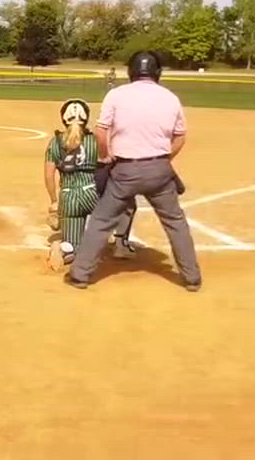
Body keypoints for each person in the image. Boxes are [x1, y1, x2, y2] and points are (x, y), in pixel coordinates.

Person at [65, 50, 200, 291]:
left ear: (131, 71)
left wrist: (106, 156)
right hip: (160, 170)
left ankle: (80, 274)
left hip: (124, 171)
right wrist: (163, 160)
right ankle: (192, 278)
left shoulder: (117, 95)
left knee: (102, 220)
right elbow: (180, 137)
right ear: (157, 72)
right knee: (175, 221)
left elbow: (101, 132)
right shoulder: (170, 98)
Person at [43, 99, 101, 271]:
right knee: (118, 211)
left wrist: (54, 202)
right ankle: (117, 240)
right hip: (93, 193)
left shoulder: (56, 142)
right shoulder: (95, 140)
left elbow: (49, 175)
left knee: (74, 246)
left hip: (68, 197)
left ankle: (63, 249)